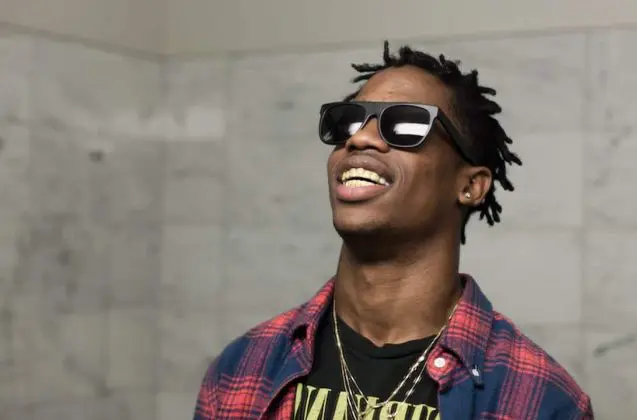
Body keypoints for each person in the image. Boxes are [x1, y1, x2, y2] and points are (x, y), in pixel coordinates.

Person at [194, 41, 593, 420]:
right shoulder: (243, 367)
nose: (359, 138)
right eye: (348, 122)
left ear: (471, 185)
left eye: (406, 124)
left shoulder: (540, 399)